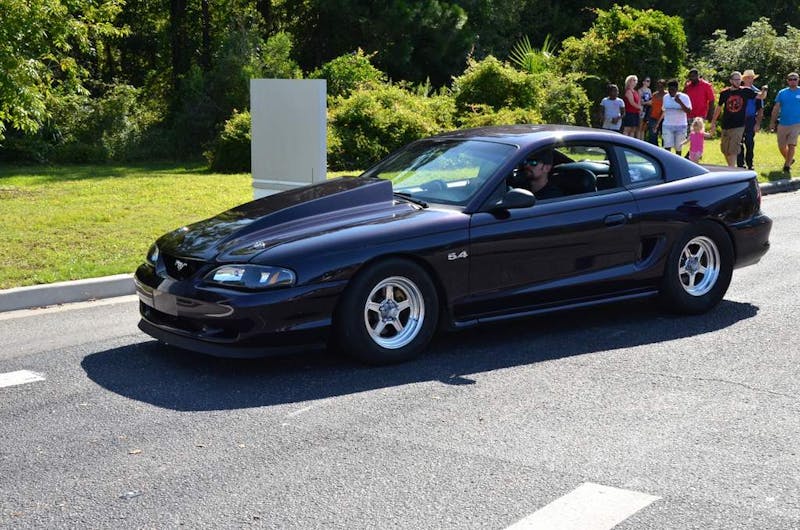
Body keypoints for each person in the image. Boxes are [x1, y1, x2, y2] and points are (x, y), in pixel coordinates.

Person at [710, 71, 764, 167]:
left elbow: (761, 96)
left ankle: (732, 170)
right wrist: (713, 122)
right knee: (725, 150)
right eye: (736, 79)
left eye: (739, 79)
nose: (738, 81)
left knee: (733, 149)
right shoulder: (724, 93)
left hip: (739, 125)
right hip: (726, 125)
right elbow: (719, 108)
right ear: (731, 81)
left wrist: (764, 90)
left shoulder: (745, 91)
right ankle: (731, 168)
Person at [769, 72, 800, 175]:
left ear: (798, 80)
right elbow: (776, 108)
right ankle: (790, 159)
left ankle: (786, 166)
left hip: (796, 123)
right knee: (781, 146)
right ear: (787, 81)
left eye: (795, 79)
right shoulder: (782, 92)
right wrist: (772, 122)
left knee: (792, 144)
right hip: (783, 123)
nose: (793, 81)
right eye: (790, 79)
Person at [737, 69, 766, 170]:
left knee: (749, 142)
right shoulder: (738, 90)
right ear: (743, 79)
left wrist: (757, 124)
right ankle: (740, 164)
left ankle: (750, 163)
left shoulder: (756, 92)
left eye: (751, 78)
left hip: (750, 119)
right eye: (748, 78)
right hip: (739, 119)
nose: (750, 80)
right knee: (738, 142)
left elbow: (760, 109)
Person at [657, 79, 692, 156]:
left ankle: (677, 164)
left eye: (672, 90)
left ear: (677, 89)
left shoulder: (684, 97)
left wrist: (679, 102)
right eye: (669, 89)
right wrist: (657, 124)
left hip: (681, 126)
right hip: (667, 125)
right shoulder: (665, 97)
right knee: (667, 147)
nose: (670, 92)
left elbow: (689, 111)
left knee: (678, 148)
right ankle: (667, 163)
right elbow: (663, 110)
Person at [647, 79, 666, 145]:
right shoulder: (654, 95)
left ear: (664, 86)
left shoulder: (667, 95)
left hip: (664, 119)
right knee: (652, 137)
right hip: (653, 118)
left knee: (664, 137)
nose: (659, 88)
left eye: (661, 86)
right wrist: (648, 118)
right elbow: (651, 106)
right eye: (658, 86)